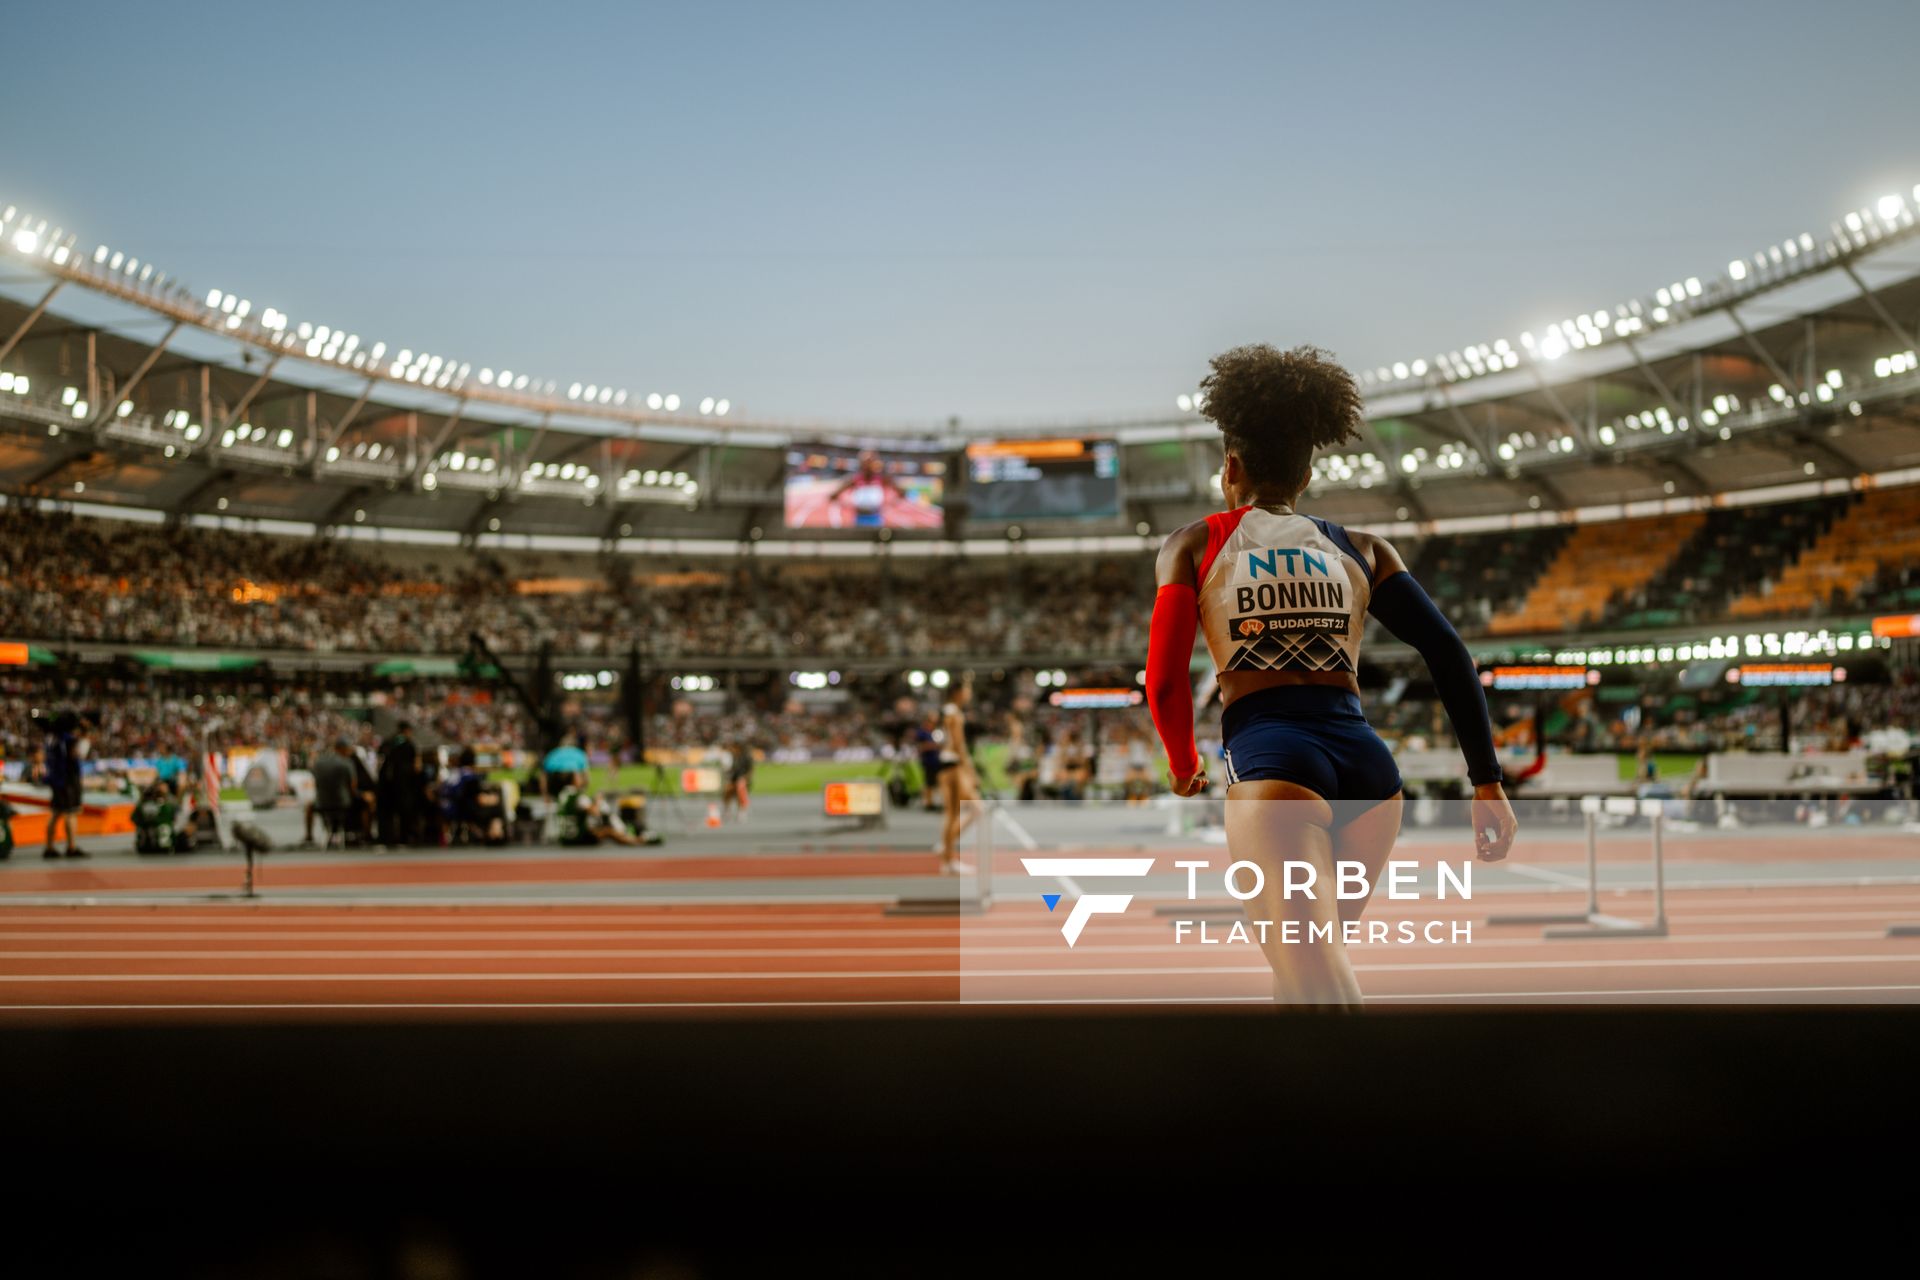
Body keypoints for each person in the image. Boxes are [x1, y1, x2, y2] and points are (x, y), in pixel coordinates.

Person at [1145, 344, 1517, 1008]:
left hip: (1274, 761)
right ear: (1308, 473)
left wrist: (1180, 763)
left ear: (1230, 467)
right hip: (1370, 776)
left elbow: (1166, 680)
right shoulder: (1363, 549)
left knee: (1319, 987)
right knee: (1307, 978)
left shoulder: (1195, 543)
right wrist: (1487, 780)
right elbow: (1450, 653)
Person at [935, 678, 982, 874]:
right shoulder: (954, 714)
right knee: (972, 809)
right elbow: (958, 744)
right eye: (967, 689)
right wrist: (970, 771)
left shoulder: (947, 711)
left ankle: (947, 851)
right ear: (958, 692)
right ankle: (948, 853)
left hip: (947, 765)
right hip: (953, 767)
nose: (969, 693)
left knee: (956, 813)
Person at [39, 711, 86, 860]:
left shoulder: (50, 738)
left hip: (55, 779)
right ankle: (71, 847)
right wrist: (83, 737)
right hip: (67, 780)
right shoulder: (68, 739)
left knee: (55, 812)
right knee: (70, 813)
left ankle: (49, 847)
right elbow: (75, 755)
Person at [376, 721, 419, 847]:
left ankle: (384, 839)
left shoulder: (387, 742)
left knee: (385, 813)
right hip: (402, 784)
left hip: (385, 783)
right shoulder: (408, 744)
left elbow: (379, 762)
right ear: (407, 730)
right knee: (403, 812)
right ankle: (403, 839)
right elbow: (415, 766)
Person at [723, 739, 754, 824]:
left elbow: (750, 771)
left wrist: (744, 779)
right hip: (734, 778)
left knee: (740, 790)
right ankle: (727, 810)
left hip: (743, 779)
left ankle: (741, 812)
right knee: (727, 791)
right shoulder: (733, 756)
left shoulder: (747, 757)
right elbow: (732, 769)